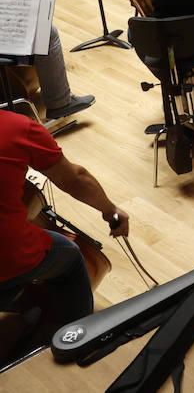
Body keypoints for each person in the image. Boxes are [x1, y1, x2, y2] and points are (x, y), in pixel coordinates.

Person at [0, 110, 130, 328]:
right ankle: (76, 340)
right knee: (69, 256)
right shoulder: (16, 128)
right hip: (7, 262)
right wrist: (110, 210)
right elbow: (75, 180)